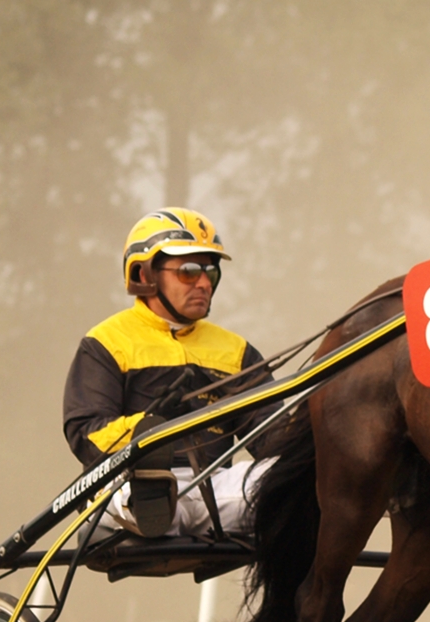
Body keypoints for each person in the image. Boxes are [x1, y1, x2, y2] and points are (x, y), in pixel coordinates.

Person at [63, 208, 274, 539]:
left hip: (215, 493)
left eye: (211, 271)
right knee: (138, 487)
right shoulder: (106, 342)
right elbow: (86, 433)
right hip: (129, 484)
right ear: (145, 275)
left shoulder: (237, 352)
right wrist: (152, 425)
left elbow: (274, 439)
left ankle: (162, 508)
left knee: (291, 476)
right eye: (190, 271)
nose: (204, 283)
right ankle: (154, 501)